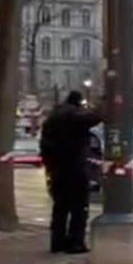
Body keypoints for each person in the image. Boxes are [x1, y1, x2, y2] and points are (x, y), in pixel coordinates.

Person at [40, 92, 102, 255]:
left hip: (56, 169)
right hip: (75, 167)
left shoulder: (51, 119)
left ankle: (57, 242)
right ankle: (75, 242)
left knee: (60, 206)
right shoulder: (74, 117)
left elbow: (44, 147)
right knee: (79, 206)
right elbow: (95, 118)